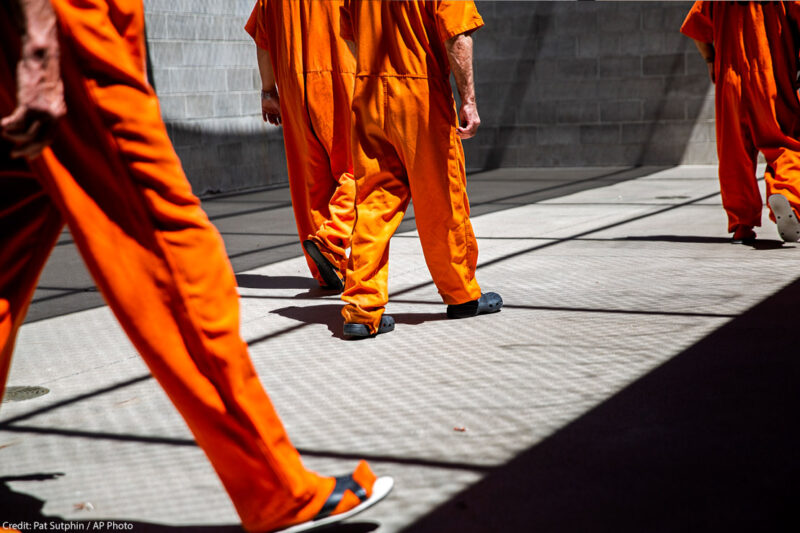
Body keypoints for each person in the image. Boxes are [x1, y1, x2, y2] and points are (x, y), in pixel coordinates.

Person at [0, 0, 391, 531]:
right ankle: (276, 488)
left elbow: (261, 34)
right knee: (169, 244)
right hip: (68, 25)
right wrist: (41, 42)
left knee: (7, 250)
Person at [337, 0, 503, 338]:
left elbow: (351, 37)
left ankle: (361, 310)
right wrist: (468, 100)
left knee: (372, 202)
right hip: (420, 92)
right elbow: (458, 36)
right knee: (441, 198)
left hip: (369, 92)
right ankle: (461, 295)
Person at [245, 0, 356, 292]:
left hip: (294, 88)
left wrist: (269, 91)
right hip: (343, 79)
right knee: (361, 169)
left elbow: (262, 40)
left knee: (312, 185)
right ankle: (331, 240)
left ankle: (327, 271)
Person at [681, 1, 800, 244]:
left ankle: (742, 224)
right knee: (783, 141)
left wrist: (710, 60)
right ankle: (786, 194)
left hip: (730, 79)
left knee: (734, 154)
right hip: (773, 77)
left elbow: (696, 26)